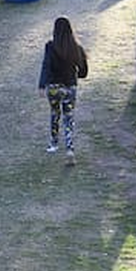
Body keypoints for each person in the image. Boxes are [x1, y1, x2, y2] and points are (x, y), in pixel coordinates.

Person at [38, 17, 89, 165]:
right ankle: (70, 148)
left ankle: (54, 144)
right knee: (69, 117)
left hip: (53, 88)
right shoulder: (76, 48)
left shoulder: (50, 46)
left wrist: (42, 86)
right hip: (70, 87)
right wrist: (76, 75)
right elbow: (84, 71)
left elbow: (46, 66)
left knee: (55, 113)